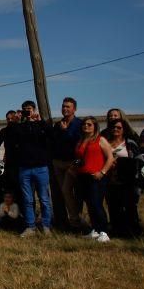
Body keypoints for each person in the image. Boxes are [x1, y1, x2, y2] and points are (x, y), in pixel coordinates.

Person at [8, 100, 54, 237]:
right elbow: (10, 137)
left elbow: (51, 135)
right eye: (24, 110)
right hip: (25, 168)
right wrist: (15, 122)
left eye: (29, 109)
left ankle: (46, 226)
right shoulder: (20, 127)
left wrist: (40, 121)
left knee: (44, 199)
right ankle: (30, 226)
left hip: (41, 167)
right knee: (27, 199)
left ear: (34, 110)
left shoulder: (40, 125)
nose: (27, 112)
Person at [73, 117, 114, 243]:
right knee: (90, 204)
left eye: (89, 124)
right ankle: (95, 229)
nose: (86, 126)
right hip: (82, 176)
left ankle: (104, 231)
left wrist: (102, 172)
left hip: (96, 176)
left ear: (95, 126)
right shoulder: (81, 141)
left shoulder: (100, 140)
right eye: (84, 124)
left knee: (97, 204)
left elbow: (110, 158)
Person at [103, 118, 141, 238]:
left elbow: (139, 160)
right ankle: (117, 231)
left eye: (119, 127)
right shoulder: (106, 143)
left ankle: (133, 232)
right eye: (114, 127)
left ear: (124, 130)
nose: (116, 129)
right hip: (110, 180)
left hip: (127, 180)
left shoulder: (130, 143)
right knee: (114, 206)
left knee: (130, 206)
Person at [50, 97, 83, 230]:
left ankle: (75, 221)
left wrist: (66, 131)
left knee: (68, 191)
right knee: (61, 193)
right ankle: (63, 221)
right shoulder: (58, 124)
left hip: (72, 163)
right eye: (63, 106)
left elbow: (78, 143)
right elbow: (54, 141)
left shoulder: (80, 124)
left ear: (74, 109)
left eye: (68, 107)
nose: (65, 109)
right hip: (58, 162)